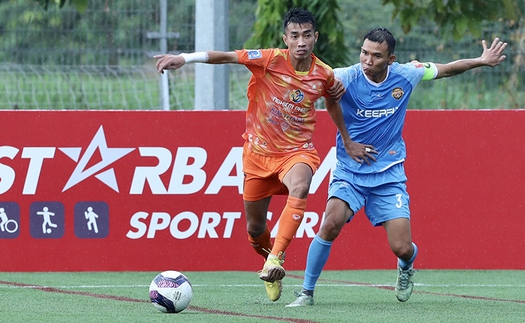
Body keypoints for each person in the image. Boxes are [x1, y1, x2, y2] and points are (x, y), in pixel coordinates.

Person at [286, 27, 508, 307]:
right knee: (330, 224)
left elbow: (447, 69)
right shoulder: (344, 76)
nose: (367, 60)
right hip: (350, 171)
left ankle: (405, 267)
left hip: (389, 175)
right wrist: (346, 140)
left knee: (402, 248)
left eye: (376, 56)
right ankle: (306, 292)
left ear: (391, 59)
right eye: (364, 53)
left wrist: (480, 60)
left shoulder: (407, 73)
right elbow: (309, 85)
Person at [154, 8, 346, 302]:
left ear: (315, 37)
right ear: (286, 38)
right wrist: (185, 58)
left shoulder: (324, 74)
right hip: (257, 156)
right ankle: (267, 260)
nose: (301, 41)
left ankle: (276, 259)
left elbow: (334, 98)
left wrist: (347, 137)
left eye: (307, 35)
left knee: (301, 185)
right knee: (255, 229)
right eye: (295, 35)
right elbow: (226, 57)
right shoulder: (270, 59)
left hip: (297, 152)